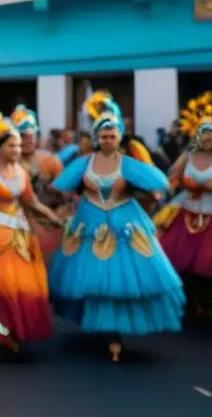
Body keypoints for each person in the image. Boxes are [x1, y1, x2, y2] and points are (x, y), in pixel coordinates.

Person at [49, 92, 184, 361]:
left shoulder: (130, 165)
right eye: (103, 136)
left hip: (124, 222)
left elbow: (157, 187)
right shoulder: (83, 164)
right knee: (91, 277)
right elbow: (65, 187)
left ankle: (116, 334)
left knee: (122, 280)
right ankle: (100, 325)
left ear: (120, 136)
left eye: (112, 135)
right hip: (90, 221)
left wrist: (146, 197)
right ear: (96, 138)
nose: (108, 140)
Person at [0, 102, 63, 354]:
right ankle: (0, 331)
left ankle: (13, 330)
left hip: (19, 237)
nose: (17, 149)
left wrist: (54, 219)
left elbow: (32, 202)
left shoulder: (22, 173)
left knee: (23, 285)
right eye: (12, 145)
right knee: (1, 285)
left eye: (18, 145)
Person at [156, 93, 212, 317]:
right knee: (181, 260)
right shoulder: (187, 157)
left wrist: (206, 187)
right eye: (204, 135)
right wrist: (173, 185)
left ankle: (207, 300)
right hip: (187, 212)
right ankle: (191, 300)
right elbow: (172, 179)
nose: (207, 139)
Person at [12, 106, 65, 262]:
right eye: (23, 136)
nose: (28, 140)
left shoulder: (51, 161)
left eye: (31, 136)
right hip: (16, 225)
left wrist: (57, 217)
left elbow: (65, 196)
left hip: (47, 224)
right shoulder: (8, 163)